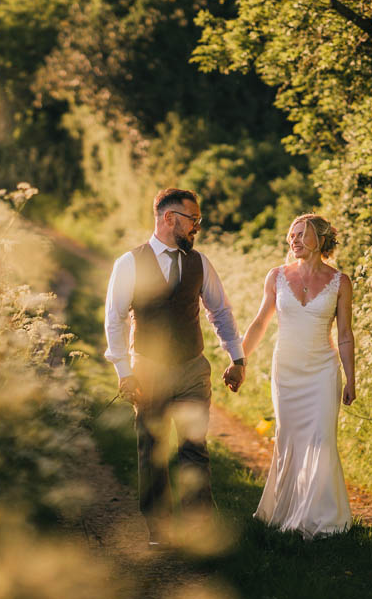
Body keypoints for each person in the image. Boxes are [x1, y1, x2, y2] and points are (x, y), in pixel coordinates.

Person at [104, 188, 247, 547]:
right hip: (148, 370)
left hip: (192, 369)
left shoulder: (200, 263)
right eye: (193, 220)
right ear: (170, 219)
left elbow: (221, 312)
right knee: (151, 448)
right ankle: (159, 529)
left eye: (197, 221)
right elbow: (115, 319)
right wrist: (124, 372)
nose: (196, 228)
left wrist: (237, 357)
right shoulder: (129, 263)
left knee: (194, 448)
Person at [241, 213, 354, 538]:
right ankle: (287, 513)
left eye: (302, 234)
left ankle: (324, 521)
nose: (294, 240)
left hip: (322, 371)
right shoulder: (276, 276)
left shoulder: (340, 282)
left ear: (320, 239)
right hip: (286, 372)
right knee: (289, 439)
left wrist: (351, 378)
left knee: (321, 440)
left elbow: (345, 334)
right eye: (291, 235)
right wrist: (240, 359)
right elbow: (261, 322)